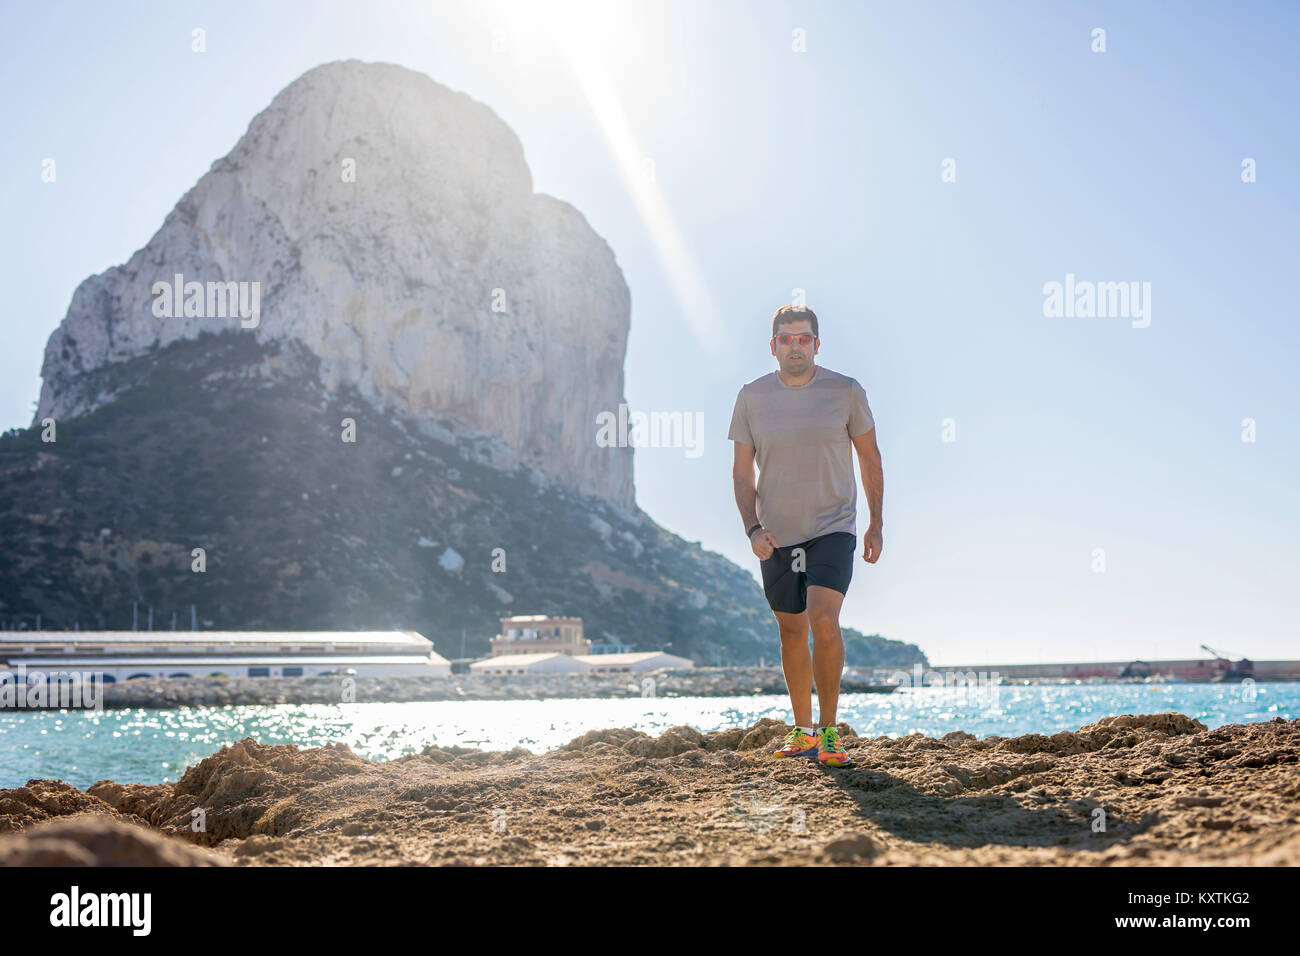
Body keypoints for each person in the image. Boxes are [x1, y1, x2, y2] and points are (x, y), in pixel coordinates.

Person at [727, 304, 884, 767]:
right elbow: (740, 472)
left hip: (833, 526)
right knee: (791, 629)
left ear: (817, 344)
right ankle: (803, 730)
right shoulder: (751, 397)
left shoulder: (846, 391)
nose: (795, 346)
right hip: (776, 535)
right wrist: (752, 528)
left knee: (824, 618)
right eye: (787, 338)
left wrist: (876, 521)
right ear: (773, 346)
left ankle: (830, 733)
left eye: (804, 338)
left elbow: (870, 459)